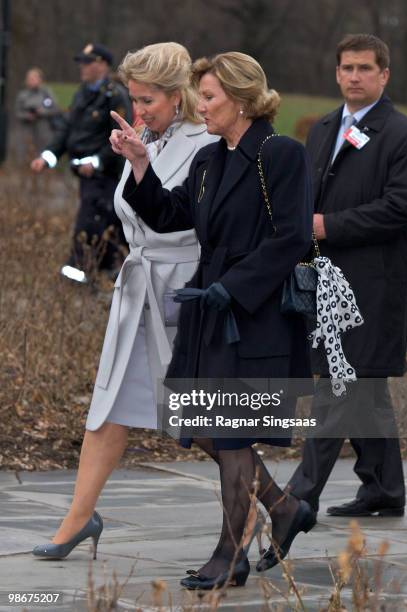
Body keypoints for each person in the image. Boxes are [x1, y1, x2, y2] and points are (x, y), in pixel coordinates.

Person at [109, 51, 315, 589]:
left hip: (254, 314)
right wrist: (139, 164)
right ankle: (284, 508)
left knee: (229, 435)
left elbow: (292, 237)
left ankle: (231, 553)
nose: (201, 105)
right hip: (212, 309)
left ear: (243, 100)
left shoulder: (281, 153)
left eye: (210, 96)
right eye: (201, 95)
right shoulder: (210, 160)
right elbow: (173, 216)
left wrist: (235, 288)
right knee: (209, 424)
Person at [31, 42, 218, 560]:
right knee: (108, 406)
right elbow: (130, 216)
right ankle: (77, 518)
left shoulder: (207, 144)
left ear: (178, 95)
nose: (138, 110)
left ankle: (271, 498)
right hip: (138, 287)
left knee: (195, 414)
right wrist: (137, 154)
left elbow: (173, 217)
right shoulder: (150, 139)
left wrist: (138, 162)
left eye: (148, 100)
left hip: (178, 291)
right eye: (134, 98)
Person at [287, 34, 407, 518]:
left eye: (364, 68)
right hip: (325, 280)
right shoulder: (321, 129)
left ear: (384, 75)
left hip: (374, 285)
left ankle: (297, 497)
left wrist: (327, 225)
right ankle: (383, 488)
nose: (354, 76)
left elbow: (400, 207)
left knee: (339, 385)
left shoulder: (399, 133)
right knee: (364, 387)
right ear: (336, 74)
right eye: (346, 68)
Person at [30, 43, 132, 282]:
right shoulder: (82, 93)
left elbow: (120, 137)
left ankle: (78, 272)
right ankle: (110, 271)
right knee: (108, 222)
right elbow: (67, 130)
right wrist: (47, 157)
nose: (83, 67)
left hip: (105, 175)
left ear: (103, 64)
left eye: (89, 62)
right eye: (82, 63)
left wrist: (96, 162)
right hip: (84, 174)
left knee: (92, 221)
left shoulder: (114, 95)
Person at [15, 67, 61, 163]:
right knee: (26, 158)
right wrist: (27, 115)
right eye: (29, 79)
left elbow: (55, 108)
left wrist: (42, 111)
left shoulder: (46, 93)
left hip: (44, 131)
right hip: (27, 132)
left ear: (40, 79)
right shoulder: (22, 95)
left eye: (33, 78)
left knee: (44, 156)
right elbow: (17, 112)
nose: (31, 81)